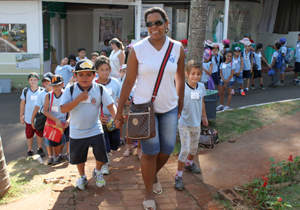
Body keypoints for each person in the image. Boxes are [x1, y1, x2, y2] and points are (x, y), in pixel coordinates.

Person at [114, 7, 185, 210]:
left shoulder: (177, 48)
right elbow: (128, 82)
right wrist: (119, 111)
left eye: (158, 22)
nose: (154, 27)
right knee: (150, 151)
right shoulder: (137, 49)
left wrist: (180, 103)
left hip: (170, 107)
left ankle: (151, 175)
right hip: (144, 108)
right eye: (150, 24)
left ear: (167, 23)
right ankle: (148, 192)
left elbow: (180, 77)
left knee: (167, 149)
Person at [60, 59, 116, 190]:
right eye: (81, 75)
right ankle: (82, 177)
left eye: (88, 74)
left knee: (102, 155)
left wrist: (116, 117)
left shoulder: (100, 89)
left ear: (94, 75)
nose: (84, 77)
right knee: (79, 158)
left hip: (95, 129)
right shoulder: (70, 89)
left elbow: (111, 105)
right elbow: (63, 109)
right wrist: (78, 99)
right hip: (76, 131)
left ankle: (97, 171)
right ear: (75, 76)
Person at [174, 60, 208, 191]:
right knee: (185, 149)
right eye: (193, 73)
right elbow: (176, 102)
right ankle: (178, 176)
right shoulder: (182, 88)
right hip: (184, 123)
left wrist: (204, 117)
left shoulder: (201, 87)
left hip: (196, 123)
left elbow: (202, 103)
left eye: (198, 74)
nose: (196, 76)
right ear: (187, 74)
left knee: (194, 149)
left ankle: (189, 164)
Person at [95, 56, 121, 175]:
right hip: (100, 119)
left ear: (110, 70)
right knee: (103, 142)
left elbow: (119, 99)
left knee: (115, 142)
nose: (104, 72)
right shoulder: (93, 84)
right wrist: (97, 117)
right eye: (101, 70)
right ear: (97, 71)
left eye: (106, 69)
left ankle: (107, 153)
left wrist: (118, 115)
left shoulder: (115, 82)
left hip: (113, 118)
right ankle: (104, 163)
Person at [43, 75, 70, 165]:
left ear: (63, 85)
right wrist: (55, 120)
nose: (56, 88)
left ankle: (60, 155)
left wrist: (69, 120)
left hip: (63, 120)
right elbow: (45, 111)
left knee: (64, 139)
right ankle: (56, 156)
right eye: (54, 86)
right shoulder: (49, 96)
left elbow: (70, 109)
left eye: (58, 85)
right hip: (53, 122)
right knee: (54, 140)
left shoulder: (66, 95)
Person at [31, 72, 54, 164]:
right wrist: (32, 120)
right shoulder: (41, 94)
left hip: (54, 117)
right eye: (45, 81)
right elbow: (37, 107)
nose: (46, 83)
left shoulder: (57, 91)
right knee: (44, 134)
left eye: (48, 81)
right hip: (44, 117)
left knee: (55, 136)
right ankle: (45, 152)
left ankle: (57, 154)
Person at [20, 72, 45, 156]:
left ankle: (40, 148)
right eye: (31, 80)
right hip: (28, 117)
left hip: (39, 118)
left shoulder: (42, 91)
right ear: (28, 81)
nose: (33, 81)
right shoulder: (26, 91)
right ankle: (30, 150)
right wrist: (21, 115)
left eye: (35, 80)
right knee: (29, 134)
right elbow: (22, 103)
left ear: (38, 81)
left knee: (39, 133)